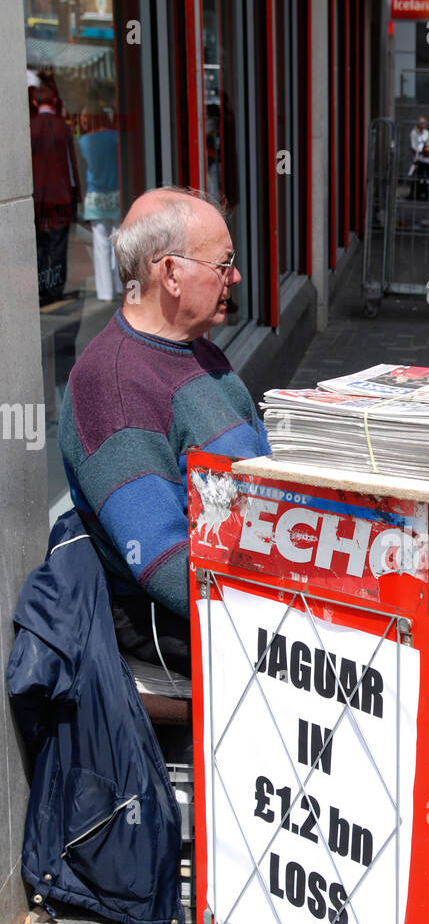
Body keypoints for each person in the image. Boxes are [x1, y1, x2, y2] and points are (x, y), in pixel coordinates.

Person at [59, 187, 270, 677]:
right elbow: (165, 563)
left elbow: (265, 463)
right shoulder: (110, 385)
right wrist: (293, 601)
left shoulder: (196, 348)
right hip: (197, 623)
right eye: (223, 263)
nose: (234, 276)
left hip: (254, 579)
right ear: (171, 273)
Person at [29, 83, 82, 305]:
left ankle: (42, 286)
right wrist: (76, 195)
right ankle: (55, 289)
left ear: (35, 103)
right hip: (60, 197)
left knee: (40, 244)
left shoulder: (30, 127)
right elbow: (72, 166)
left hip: (38, 197)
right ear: (55, 102)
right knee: (58, 245)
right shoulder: (63, 128)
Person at [77, 105, 122, 301]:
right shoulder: (115, 138)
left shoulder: (84, 142)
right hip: (117, 195)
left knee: (100, 247)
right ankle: (121, 285)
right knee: (120, 244)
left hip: (95, 197)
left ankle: (105, 293)